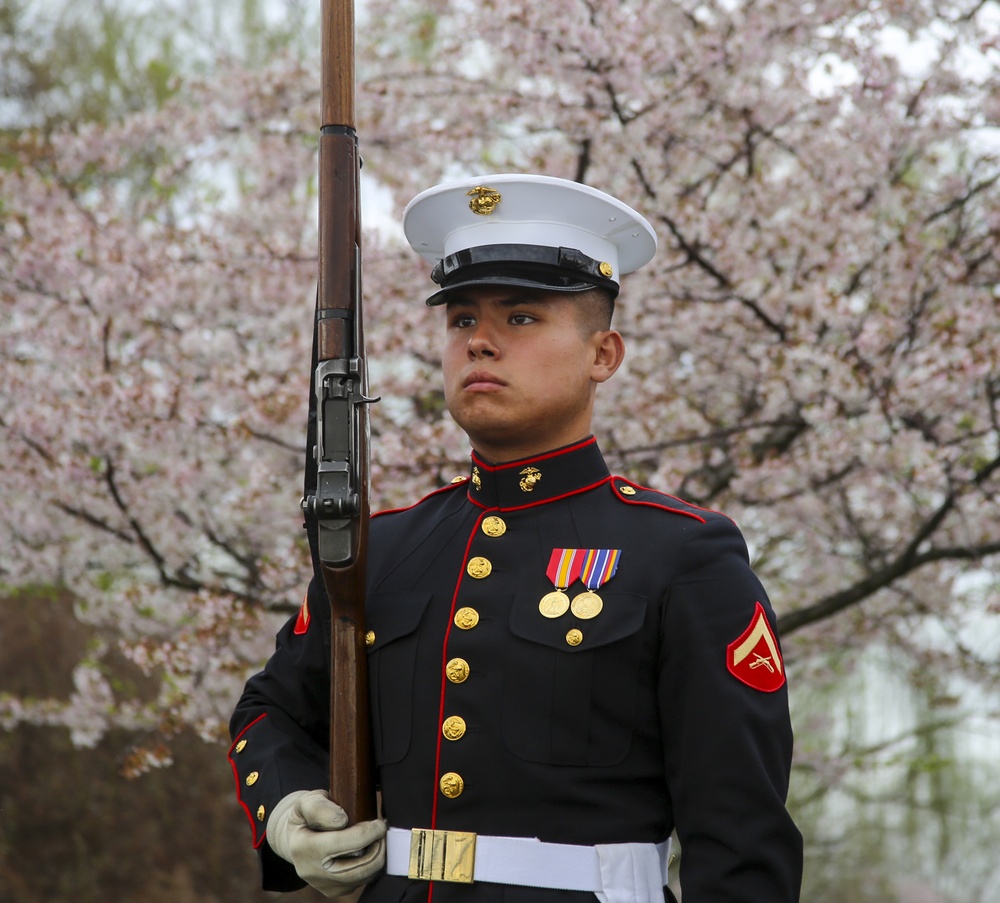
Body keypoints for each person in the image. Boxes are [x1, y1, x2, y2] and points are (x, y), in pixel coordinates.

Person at [229, 173, 803, 902]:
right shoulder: (387, 549)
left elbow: (742, 843)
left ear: (604, 354)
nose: (481, 343)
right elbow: (270, 709)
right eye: (460, 319)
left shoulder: (682, 555)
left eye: (522, 317)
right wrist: (284, 809)